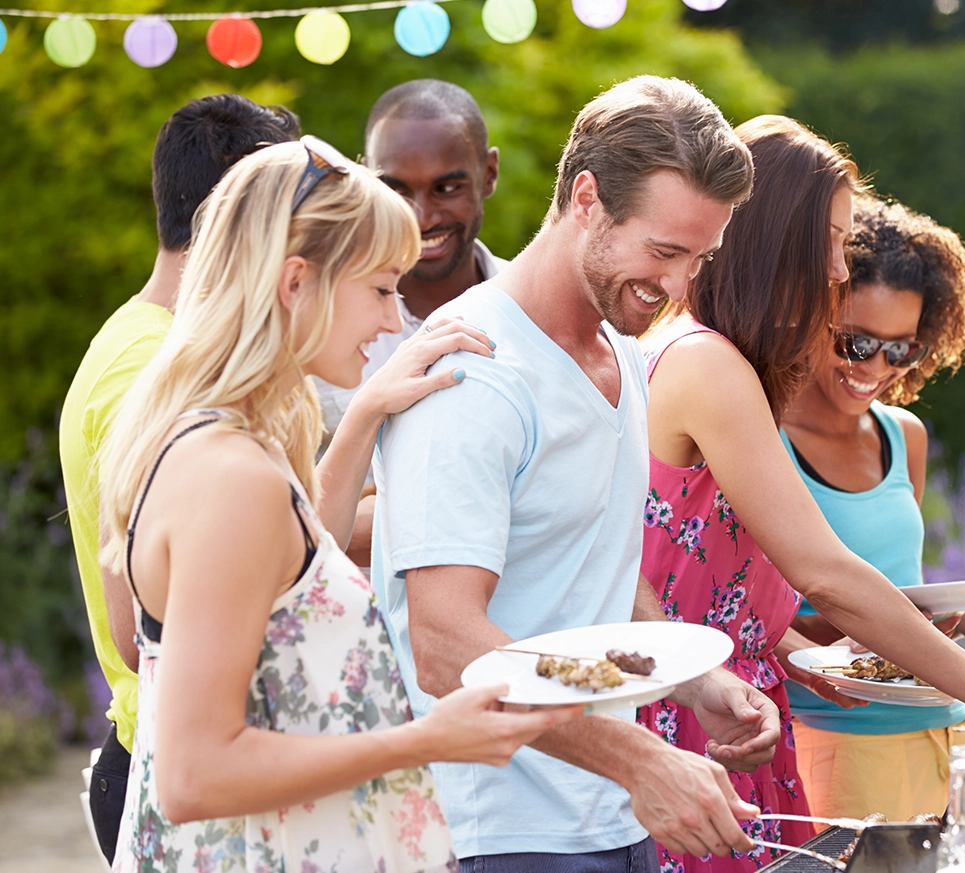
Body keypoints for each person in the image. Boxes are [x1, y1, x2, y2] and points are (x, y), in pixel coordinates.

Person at [97, 138, 578, 872]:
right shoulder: (231, 477)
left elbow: (281, 575)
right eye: (381, 288)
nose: (393, 322)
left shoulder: (203, 439)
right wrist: (430, 738)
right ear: (298, 282)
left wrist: (364, 415)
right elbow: (195, 774)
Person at [371, 76, 783, 873]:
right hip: (494, 833)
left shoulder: (624, 354)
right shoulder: (472, 369)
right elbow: (445, 643)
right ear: (586, 197)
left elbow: (593, 567)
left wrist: (695, 679)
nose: (678, 286)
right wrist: (636, 757)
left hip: (607, 820)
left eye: (699, 257)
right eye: (664, 251)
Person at [638, 116, 965, 871]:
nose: (836, 268)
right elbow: (823, 571)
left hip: (729, 712)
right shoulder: (707, 363)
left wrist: (796, 650)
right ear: (775, 238)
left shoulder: (698, 353)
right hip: (698, 723)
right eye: (830, 241)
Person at [58, 93, 299, 863]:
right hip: (167, 767)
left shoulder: (155, 343)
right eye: (284, 216)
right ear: (233, 216)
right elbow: (146, 622)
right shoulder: (155, 367)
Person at [780, 197, 965, 822]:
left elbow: (893, 599)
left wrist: (958, 615)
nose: (876, 369)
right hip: (841, 743)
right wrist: (912, 617)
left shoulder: (903, 437)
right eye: (855, 342)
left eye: (902, 351)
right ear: (812, 313)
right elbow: (765, 624)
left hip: (945, 728)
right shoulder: (763, 443)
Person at [313, 79, 505, 566]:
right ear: (364, 180)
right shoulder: (314, 328)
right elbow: (290, 529)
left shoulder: (538, 311)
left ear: (488, 174)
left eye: (447, 187)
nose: (421, 217)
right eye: (396, 189)